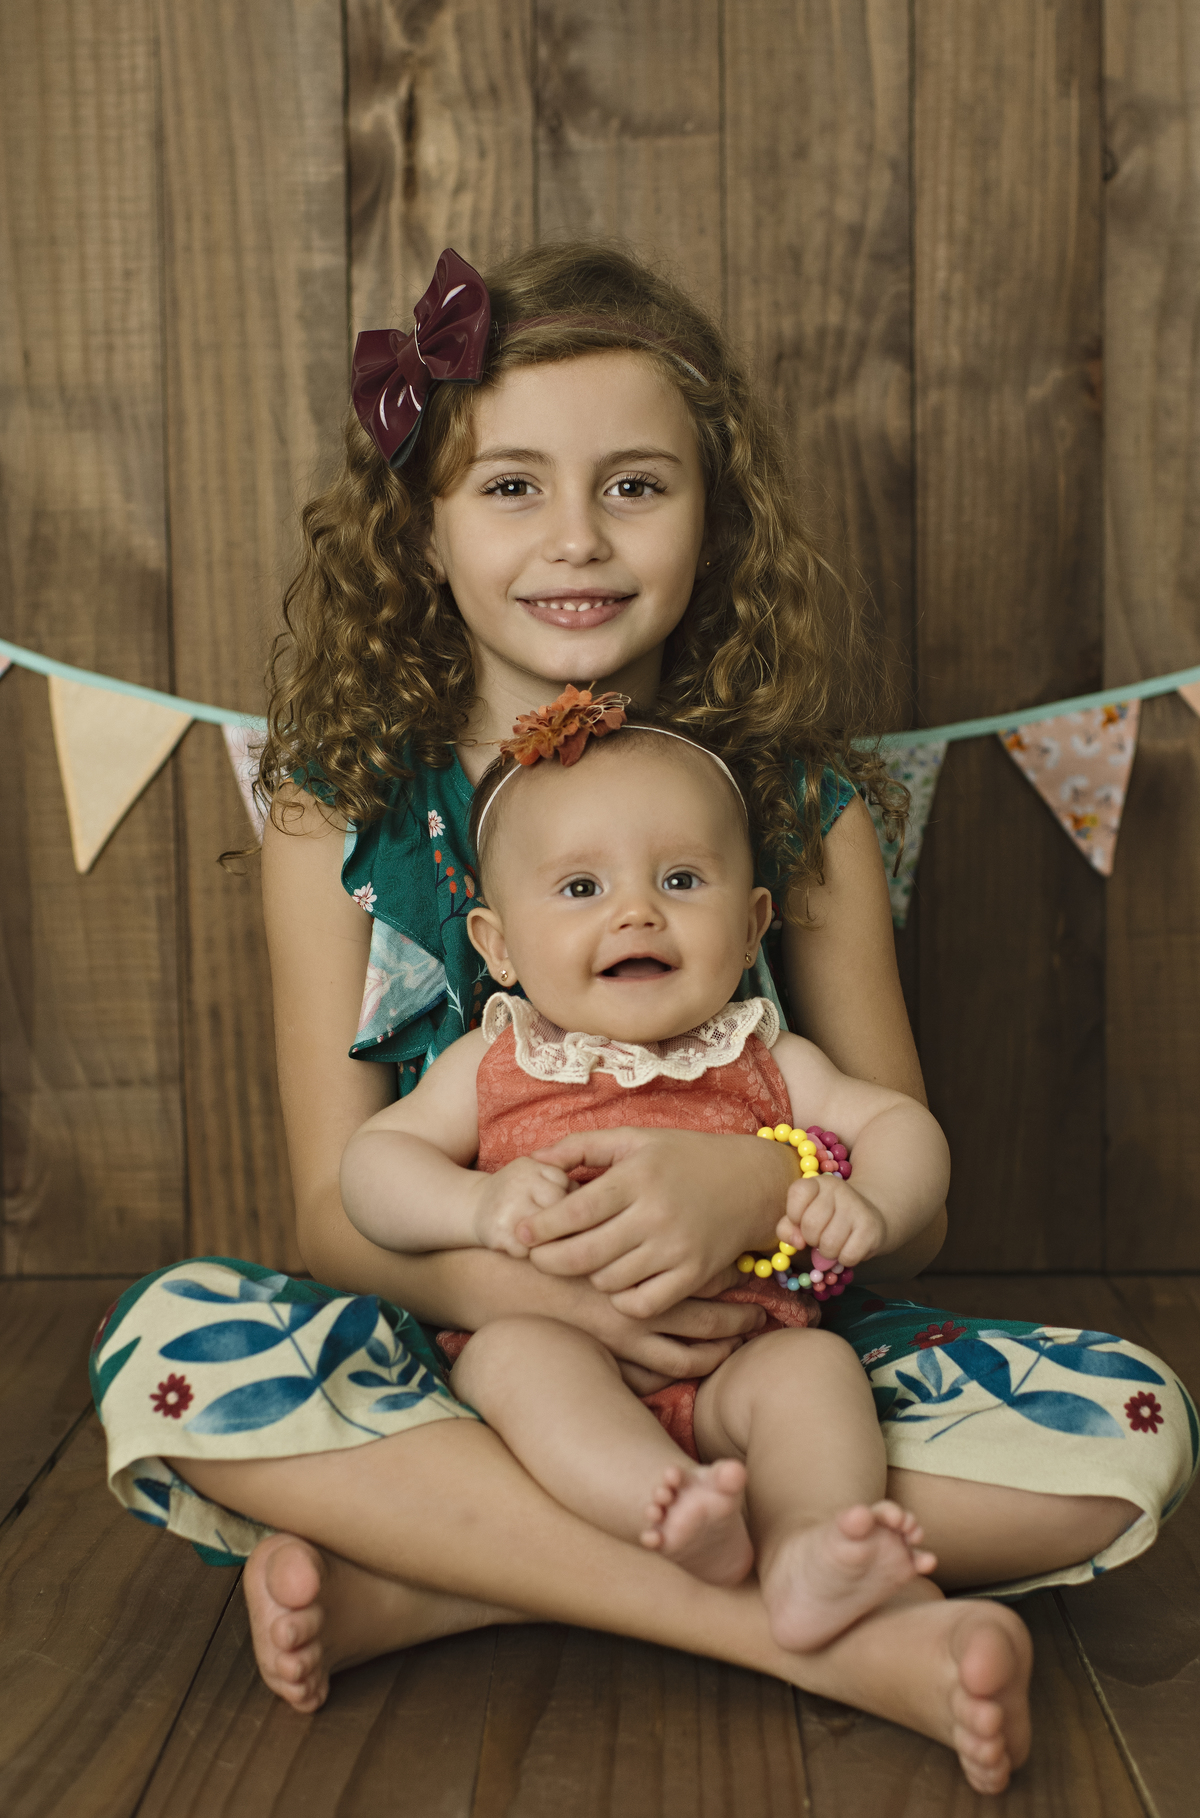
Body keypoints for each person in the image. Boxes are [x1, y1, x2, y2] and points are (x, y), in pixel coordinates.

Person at [90, 243, 1196, 1796]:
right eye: (512, 487)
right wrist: (560, 1304)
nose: (575, 540)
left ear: (714, 515)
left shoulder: (799, 811)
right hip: (463, 1361)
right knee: (171, 1353)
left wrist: (761, 1191)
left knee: (1130, 1430)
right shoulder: (334, 811)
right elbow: (336, 1219)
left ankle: (427, 1579)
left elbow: (910, 1205)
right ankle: (841, 1632)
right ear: (421, 527)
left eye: (634, 486)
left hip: (768, 1351)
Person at [341, 698, 950, 1649]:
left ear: (752, 929)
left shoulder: (763, 1052)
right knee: (515, 1362)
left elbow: (904, 1127)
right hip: (558, 1356)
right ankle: (661, 1510)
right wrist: (474, 1202)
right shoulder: (497, 1062)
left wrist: (868, 1199)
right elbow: (371, 1167)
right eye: (580, 888)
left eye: (680, 878)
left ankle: (808, 1550)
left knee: (819, 1372)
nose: (637, 910)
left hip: (736, 1364)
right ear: (498, 949)